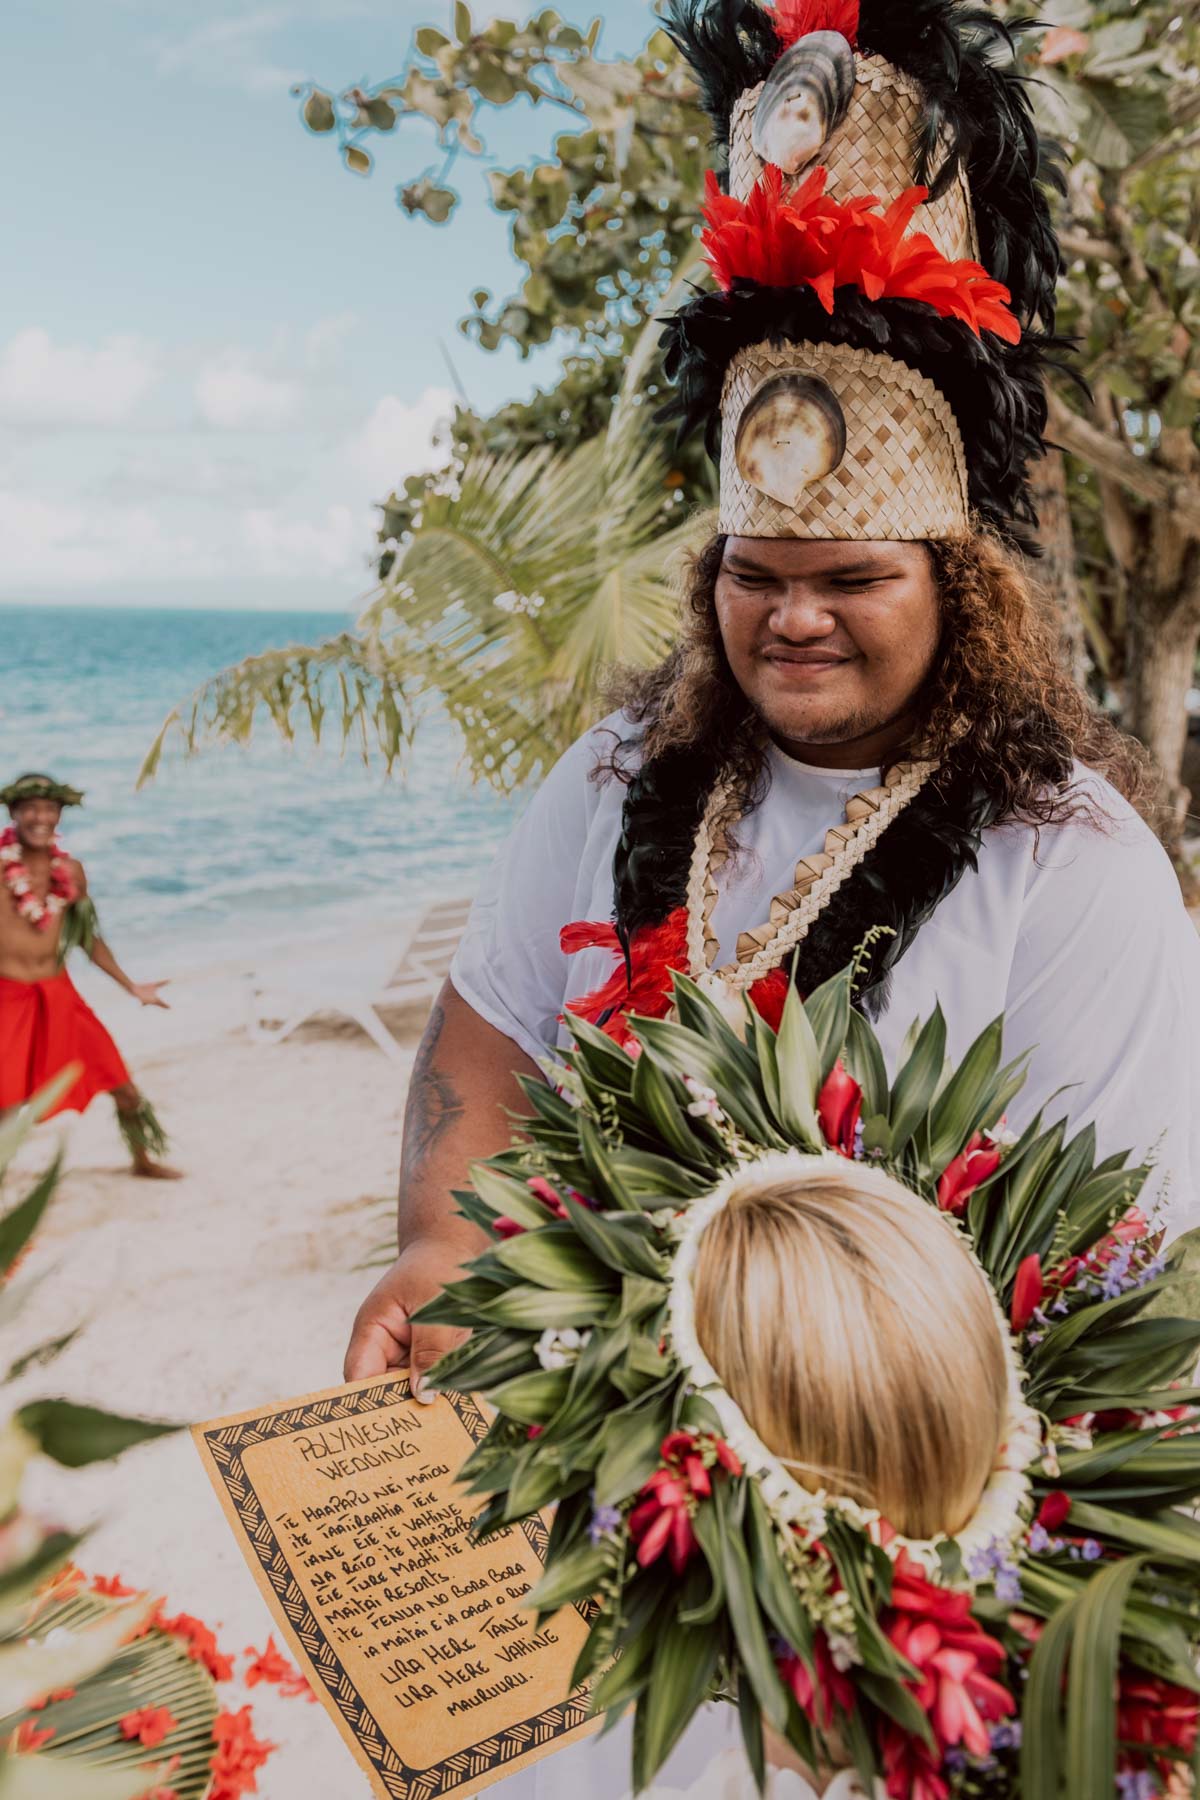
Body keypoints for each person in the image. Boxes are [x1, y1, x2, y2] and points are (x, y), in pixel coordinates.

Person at [346, 0, 1200, 1407]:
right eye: (757, 573)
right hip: (586, 1433)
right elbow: (492, 1020)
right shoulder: (620, 775)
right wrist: (442, 1244)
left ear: (959, 586)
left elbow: (1104, 1290)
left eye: (850, 577)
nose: (793, 617)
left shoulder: (1073, 862)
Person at [0, 772, 180, 1179]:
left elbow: (86, 938)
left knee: (122, 1085)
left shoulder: (71, 871)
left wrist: (131, 985)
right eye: (30, 808)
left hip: (60, 996)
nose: (40, 817)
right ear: (13, 813)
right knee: (7, 1109)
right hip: (7, 1000)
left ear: (59, 815)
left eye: (49, 809)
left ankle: (143, 1161)